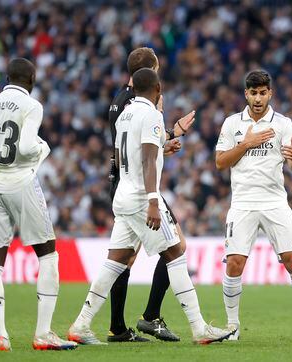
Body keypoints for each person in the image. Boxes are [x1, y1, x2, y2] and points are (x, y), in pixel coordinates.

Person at [68, 68, 233, 345]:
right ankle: (199, 328)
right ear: (157, 88)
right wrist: (153, 201)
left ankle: (81, 324)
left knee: (115, 262)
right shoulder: (152, 115)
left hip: (122, 194)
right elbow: (146, 159)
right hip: (141, 199)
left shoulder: (125, 115)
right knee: (176, 253)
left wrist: (162, 146)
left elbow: (129, 156)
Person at [0, 58, 77, 351]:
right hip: (20, 182)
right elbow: (26, 147)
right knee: (48, 255)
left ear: (7, 77)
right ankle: (43, 334)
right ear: (32, 79)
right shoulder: (32, 106)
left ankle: (1, 335)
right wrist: (42, 150)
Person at [215, 69, 292, 341]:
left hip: (275, 201)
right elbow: (220, 162)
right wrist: (247, 143)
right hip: (242, 203)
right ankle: (232, 326)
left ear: (270, 93)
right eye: (253, 93)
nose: (257, 98)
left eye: (262, 93)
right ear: (246, 93)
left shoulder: (283, 124)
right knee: (234, 264)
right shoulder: (232, 124)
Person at [106, 47, 194, 343]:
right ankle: (150, 317)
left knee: (123, 259)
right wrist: (171, 133)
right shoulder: (140, 102)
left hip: (123, 183)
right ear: (151, 73)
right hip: (140, 187)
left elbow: (131, 147)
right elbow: (143, 152)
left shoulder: (119, 101)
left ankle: (117, 327)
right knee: (175, 247)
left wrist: (166, 140)